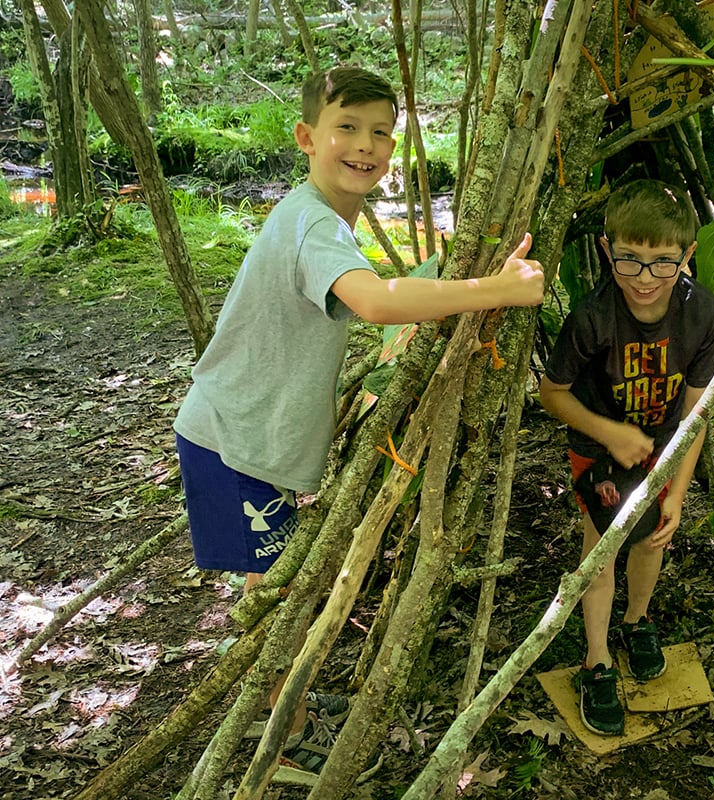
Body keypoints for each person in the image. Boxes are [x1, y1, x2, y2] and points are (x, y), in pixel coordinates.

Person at [172, 66, 544, 775]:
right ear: (307, 137)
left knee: (278, 585)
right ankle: (281, 736)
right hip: (233, 439)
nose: (365, 146)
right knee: (278, 592)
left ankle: (291, 704)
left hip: (251, 434)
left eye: (381, 133)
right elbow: (373, 301)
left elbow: (361, 300)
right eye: (347, 128)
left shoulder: (316, 216)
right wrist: (496, 288)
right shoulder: (312, 220)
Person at [539, 179, 714, 736]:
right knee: (602, 547)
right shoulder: (594, 316)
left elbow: (697, 413)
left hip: (663, 446)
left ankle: (637, 621)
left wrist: (679, 490)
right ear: (606, 249)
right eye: (630, 260)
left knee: (653, 536)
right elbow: (551, 392)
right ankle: (596, 661)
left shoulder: (701, 314)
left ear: (687, 255)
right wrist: (609, 433)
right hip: (599, 447)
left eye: (663, 263)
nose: (645, 279)